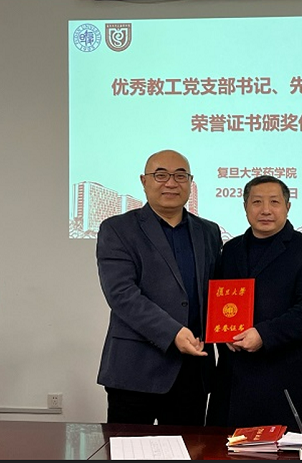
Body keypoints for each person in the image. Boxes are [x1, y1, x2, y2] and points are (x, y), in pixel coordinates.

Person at [95, 149, 223, 425]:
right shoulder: (118, 229)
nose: (171, 183)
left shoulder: (209, 231)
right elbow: (122, 295)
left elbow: (216, 292)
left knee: (189, 448)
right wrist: (173, 332)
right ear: (144, 181)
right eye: (161, 175)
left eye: (180, 176)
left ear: (190, 182)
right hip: (134, 370)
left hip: (193, 370)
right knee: (127, 447)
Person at [206, 175, 302, 430]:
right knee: (220, 447)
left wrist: (264, 334)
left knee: (279, 449)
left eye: (274, 202)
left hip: (281, 379)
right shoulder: (230, 250)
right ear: (245, 207)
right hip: (231, 378)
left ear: (287, 206)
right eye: (257, 202)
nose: (265, 210)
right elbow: (220, 300)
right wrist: (223, 333)